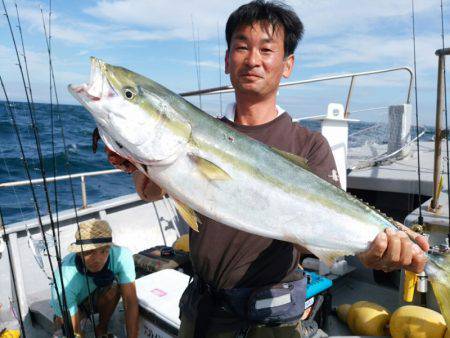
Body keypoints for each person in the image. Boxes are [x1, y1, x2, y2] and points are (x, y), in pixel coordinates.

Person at [107, 1, 429, 337]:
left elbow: (322, 237)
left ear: (287, 64)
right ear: (227, 59)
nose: (253, 59)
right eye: (242, 47)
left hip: (272, 318)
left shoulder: (309, 145)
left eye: (266, 49)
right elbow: (151, 189)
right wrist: (134, 161)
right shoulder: (198, 131)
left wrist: (376, 252)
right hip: (202, 308)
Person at [50, 219, 139, 338]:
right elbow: (76, 333)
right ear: (79, 253)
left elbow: (130, 301)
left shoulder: (122, 256)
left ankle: (101, 328)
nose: (97, 259)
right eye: (89, 252)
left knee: (115, 287)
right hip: (73, 306)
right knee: (66, 333)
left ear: (110, 248)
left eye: (103, 251)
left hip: (97, 295)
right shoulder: (63, 281)